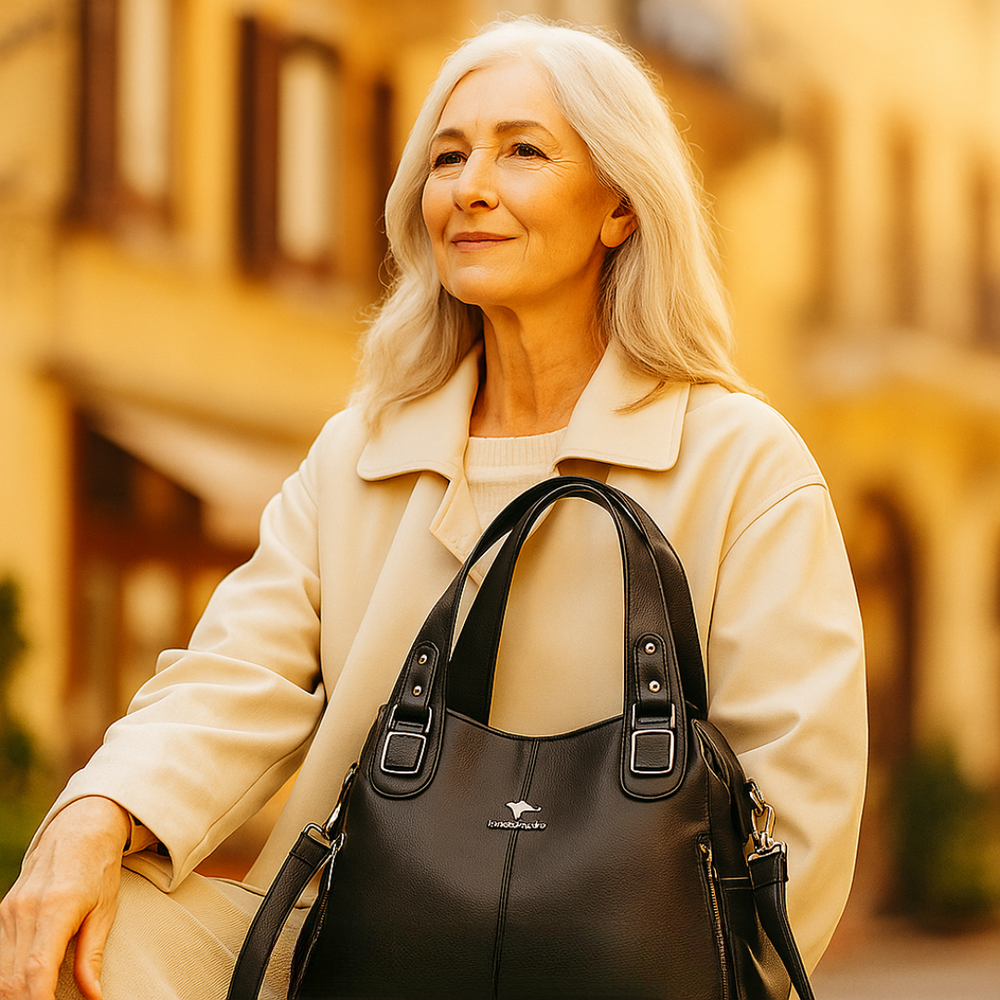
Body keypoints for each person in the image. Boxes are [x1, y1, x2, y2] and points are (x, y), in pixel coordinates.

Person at [0, 15, 866, 1000]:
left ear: (619, 208)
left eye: (522, 151)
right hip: (342, 951)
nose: (470, 187)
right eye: (447, 155)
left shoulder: (743, 464)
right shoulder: (360, 452)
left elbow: (797, 802)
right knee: (75, 941)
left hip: (625, 971)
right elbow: (232, 673)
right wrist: (94, 813)